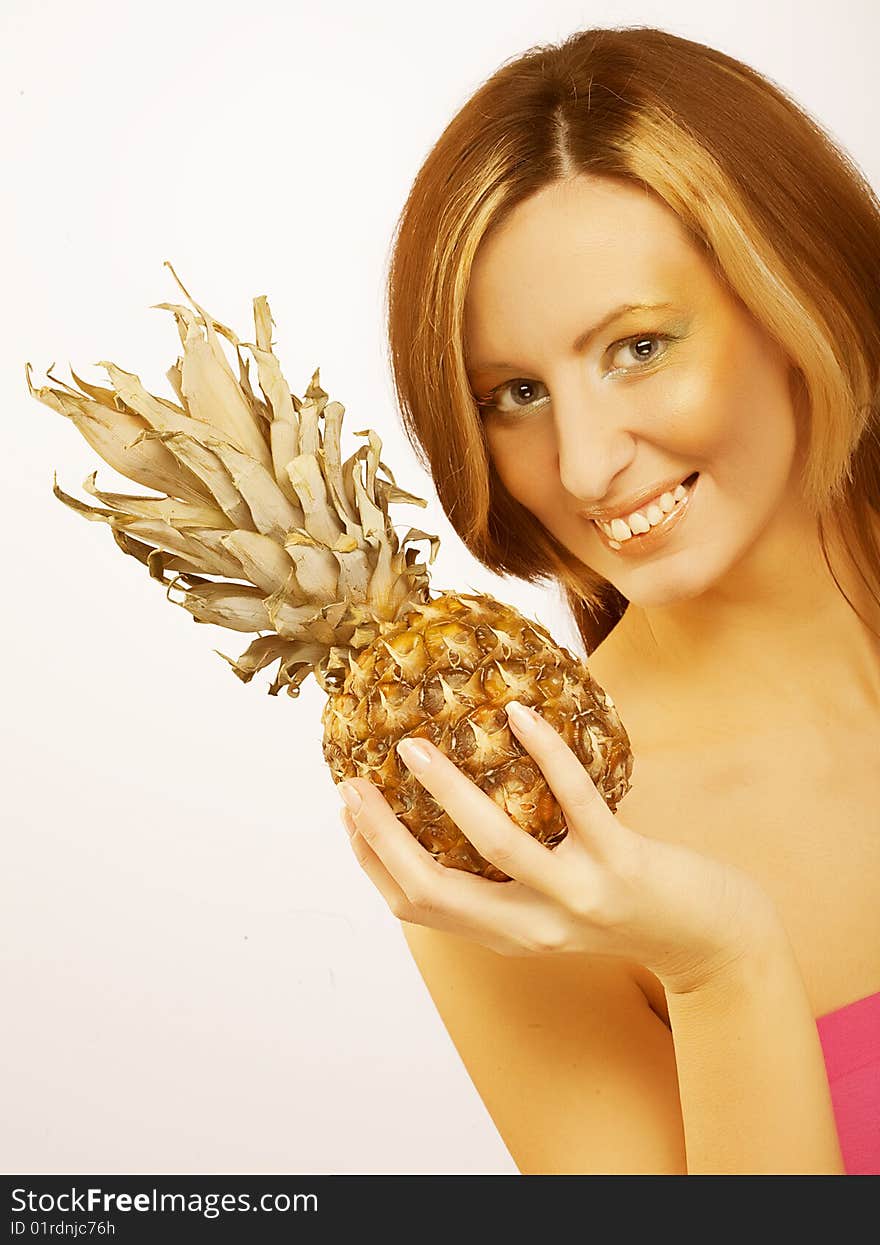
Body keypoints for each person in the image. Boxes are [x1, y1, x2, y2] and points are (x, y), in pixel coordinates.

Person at [342, 25, 880, 1174]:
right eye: (516, 393)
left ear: (799, 300)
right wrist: (720, 964)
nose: (584, 466)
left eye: (637, 347)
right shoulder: (519, 844)